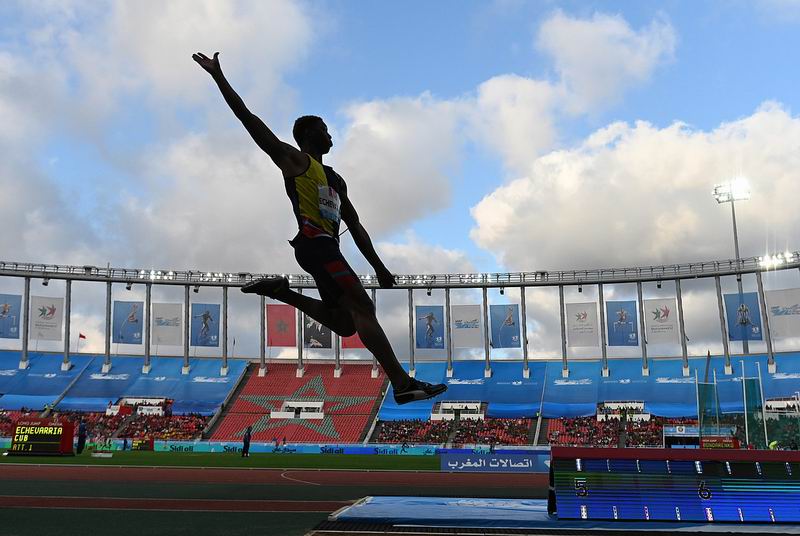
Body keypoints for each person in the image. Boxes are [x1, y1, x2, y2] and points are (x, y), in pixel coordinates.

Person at [193, 51, 447, 405]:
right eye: (326, 132)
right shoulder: (294, 161)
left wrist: (379, 267)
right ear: (310, 136)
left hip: (329, 248)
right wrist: (219, 77)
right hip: (314, 245)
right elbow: (248, 119)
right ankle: (401, 382)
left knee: (346, 323)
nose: (332, 137)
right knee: (364, 308)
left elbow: (355, 224)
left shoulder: (336, 179)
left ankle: (282, 293)